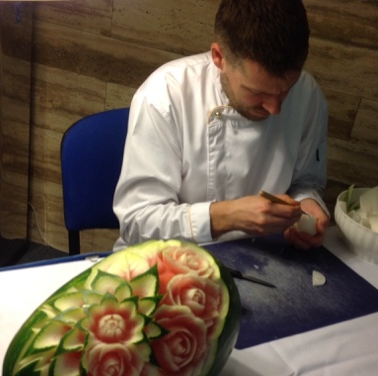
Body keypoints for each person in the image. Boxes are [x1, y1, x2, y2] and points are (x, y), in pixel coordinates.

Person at [113, 0, 330, 250]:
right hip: (165, 254)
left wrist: (307, 204)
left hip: (261, 253)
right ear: (219, 57)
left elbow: (306, 182)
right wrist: (226, 216)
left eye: (285, 91)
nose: (275, 109)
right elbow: (137, 223)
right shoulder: (165, 95)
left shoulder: (308, 94)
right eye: (256, 92)